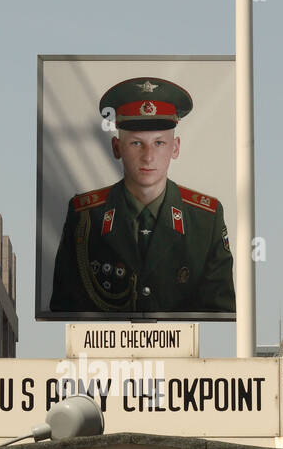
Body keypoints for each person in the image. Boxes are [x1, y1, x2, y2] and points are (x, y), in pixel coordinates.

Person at [49, 77, 235, 315]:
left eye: (159, 143)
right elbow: (65, 308)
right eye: (137, 143)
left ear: (175, 147)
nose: (148, 157)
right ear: (117, 147)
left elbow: (221, 312)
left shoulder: (206, 219)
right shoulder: (84, 215)